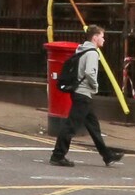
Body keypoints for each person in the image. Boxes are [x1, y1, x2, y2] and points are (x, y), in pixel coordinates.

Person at [49, 24, 123, 168]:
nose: (104, 40)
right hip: (83, 94)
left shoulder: (81, 50)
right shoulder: (92, 53)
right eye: (102, 37)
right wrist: (95, 86)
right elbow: (89, 72)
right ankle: (57, 156)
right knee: (70, 126)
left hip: (80, 93)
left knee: (93, 126)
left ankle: (107, 155)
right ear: (95, 38)